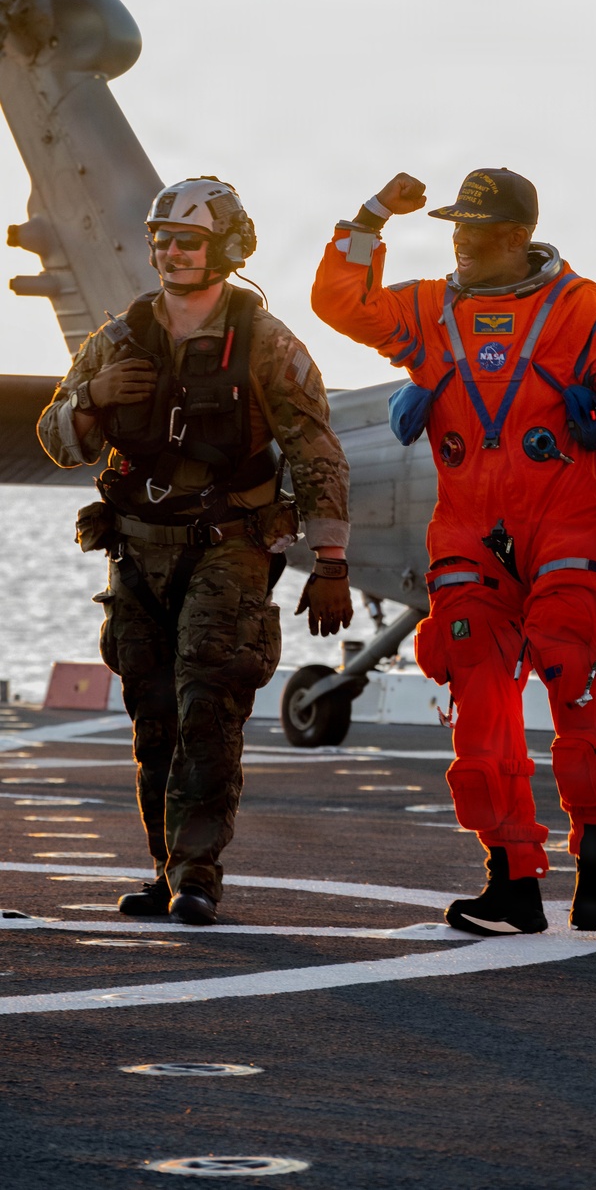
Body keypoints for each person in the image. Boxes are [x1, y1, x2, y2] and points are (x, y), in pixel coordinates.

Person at [311, 167, 596, 934]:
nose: (459, 240)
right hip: (467, 531)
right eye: (454, 227)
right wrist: (368, 219)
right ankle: (512, 877)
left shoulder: (582, 309)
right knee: (477, 692)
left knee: (572, 670)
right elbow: (341, 303)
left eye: (476, 228)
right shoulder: (429, 310)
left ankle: (595, 854)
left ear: (518, 236)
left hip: (566, 523)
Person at [38, 177, 352, 925]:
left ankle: (197, 872)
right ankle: (164, 866)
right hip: (136, 552)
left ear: (228, 249)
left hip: (228, 549)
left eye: (189, 240)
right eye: (164, 239)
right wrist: (94, 398)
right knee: (153, 717)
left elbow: (315, 452)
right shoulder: (117, 339)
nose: (172, 252)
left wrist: (332, 560)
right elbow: (56, 439)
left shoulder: (268, 344)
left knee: (209, 709)